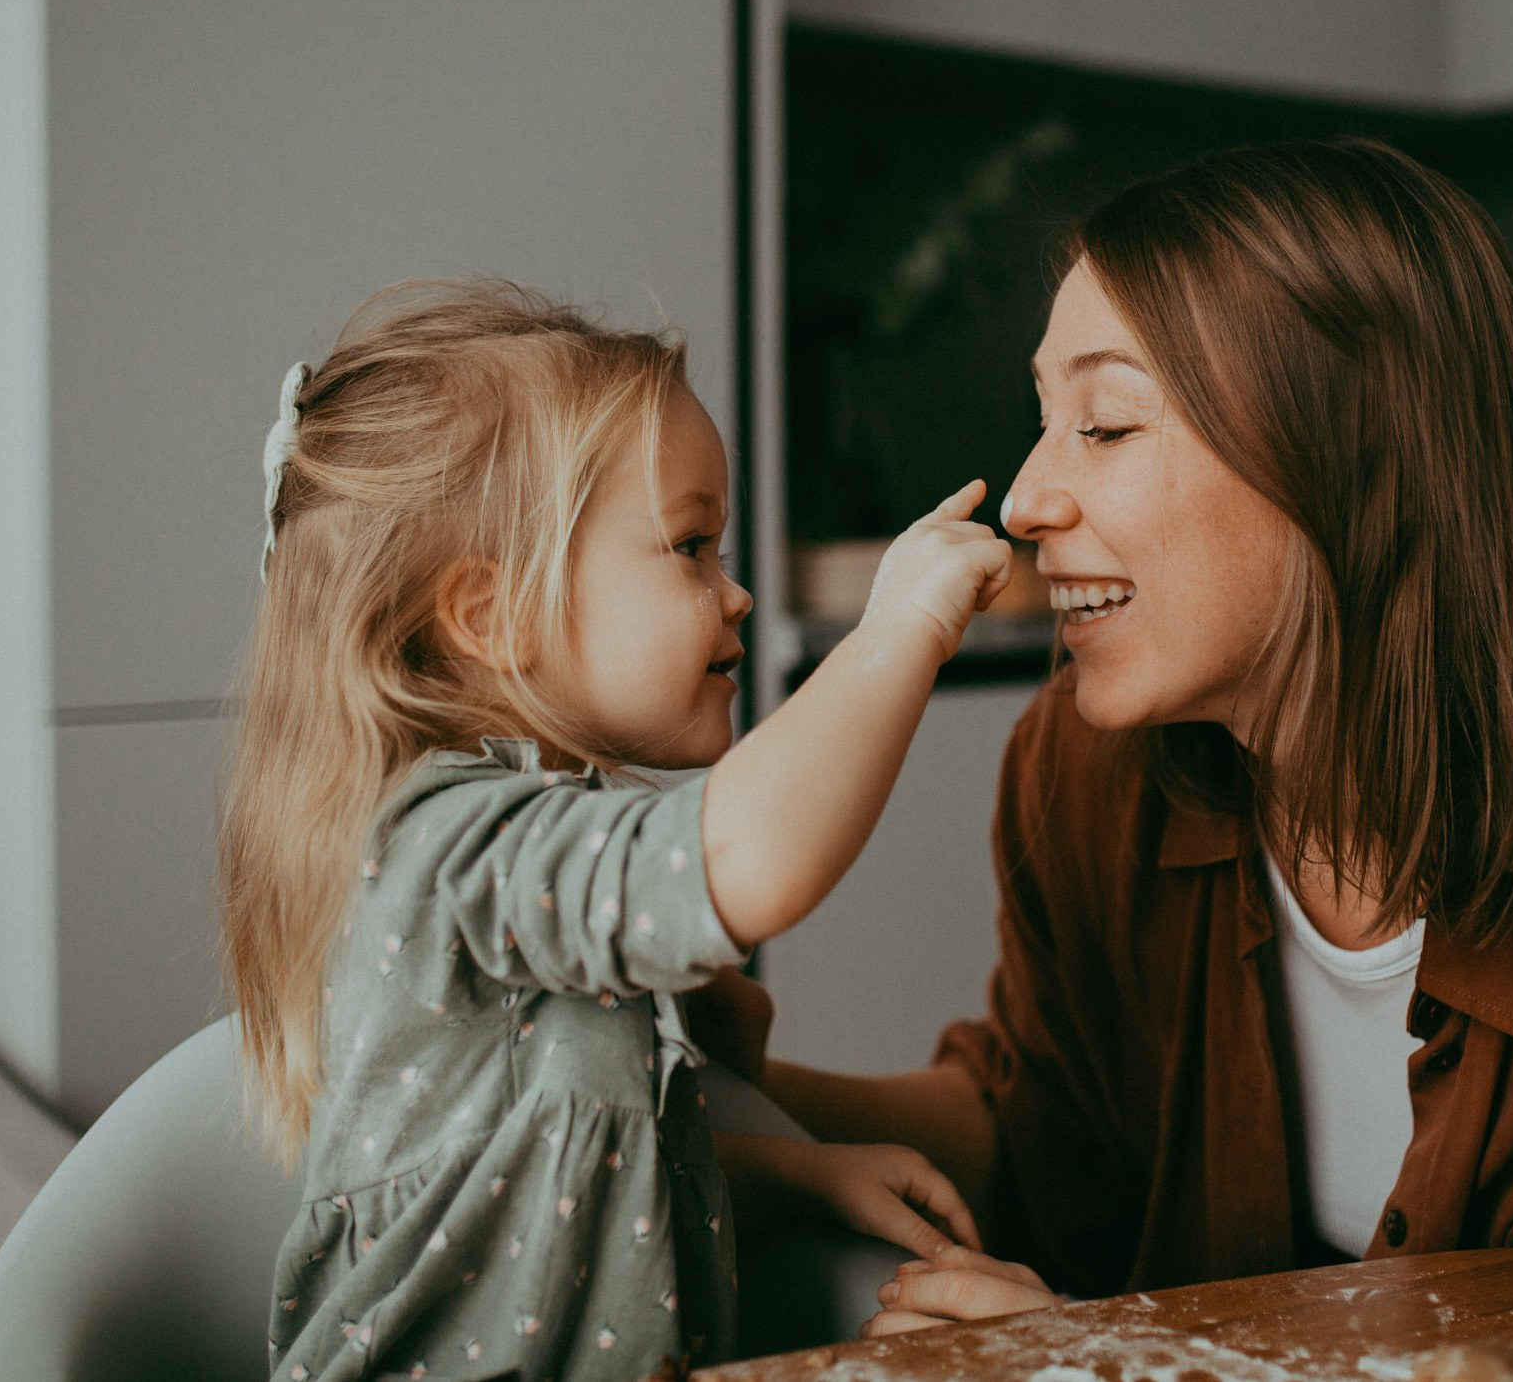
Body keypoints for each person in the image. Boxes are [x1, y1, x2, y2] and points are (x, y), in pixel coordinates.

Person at [740, 138, 1513, 1332]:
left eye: (1106, 426)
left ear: (1355, 456)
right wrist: (704, 1096)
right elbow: (1044, 1125)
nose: (1027, 498)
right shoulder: (1089, 769)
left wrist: (1105, 1365)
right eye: (1043, 420)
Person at [220, 281, 1011, 1382]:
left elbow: (556, 1183)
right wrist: (901, 629)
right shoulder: (450, 849)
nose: (732, 594)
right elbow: (747, 858)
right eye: (691, 547)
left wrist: (797, 1177)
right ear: (492, 616)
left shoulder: (515, 840)